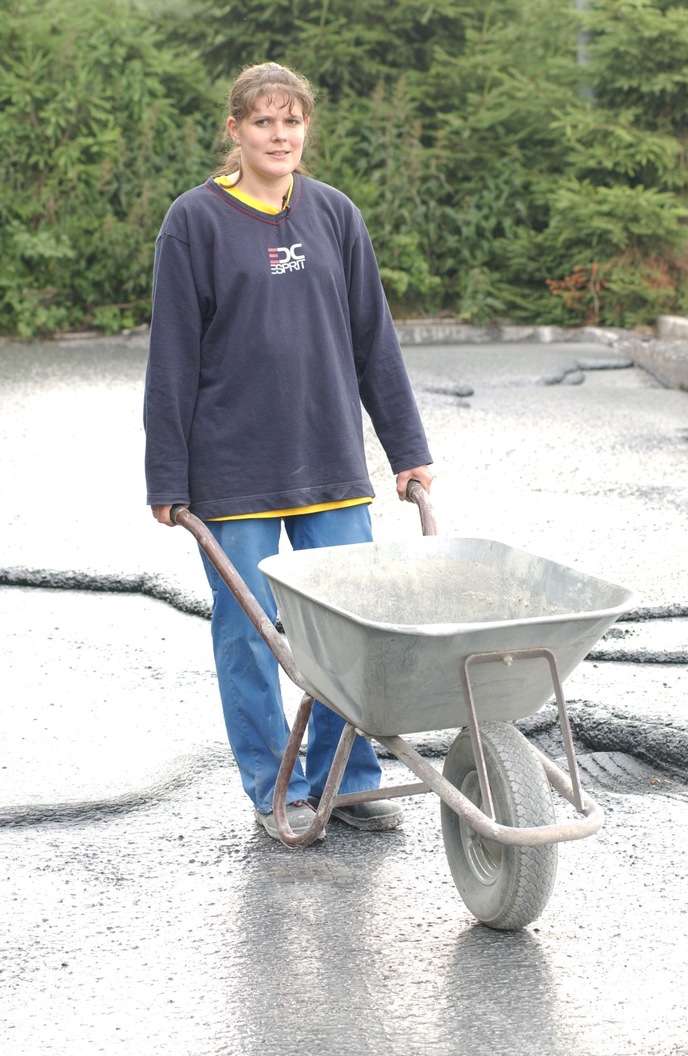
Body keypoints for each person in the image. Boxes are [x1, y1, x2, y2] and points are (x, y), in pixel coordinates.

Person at [144, 62, 433, 843]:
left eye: (292, 121)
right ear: (234, 129)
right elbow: (170, 357)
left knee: (347, 626)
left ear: (307, 128)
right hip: (231, 470)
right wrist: (166, 477)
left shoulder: (336, 215)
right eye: (264, 121)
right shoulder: (195, 221)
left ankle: (347, 781)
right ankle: (278, 790)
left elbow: (375, 341)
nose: (280, 135)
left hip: (329, 459)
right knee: (251, 634)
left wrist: (406, 449)